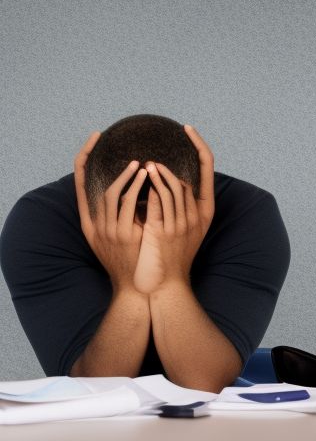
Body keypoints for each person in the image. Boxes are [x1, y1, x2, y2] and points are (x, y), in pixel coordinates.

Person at [0, 114, 290, 392]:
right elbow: (94, 389)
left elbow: (203, 384)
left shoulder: (249, 213)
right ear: (88, 198)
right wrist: (129, 287)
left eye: (169, 209)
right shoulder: (40, 220)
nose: (147, 231)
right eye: (121, 211)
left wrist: (170, 279)